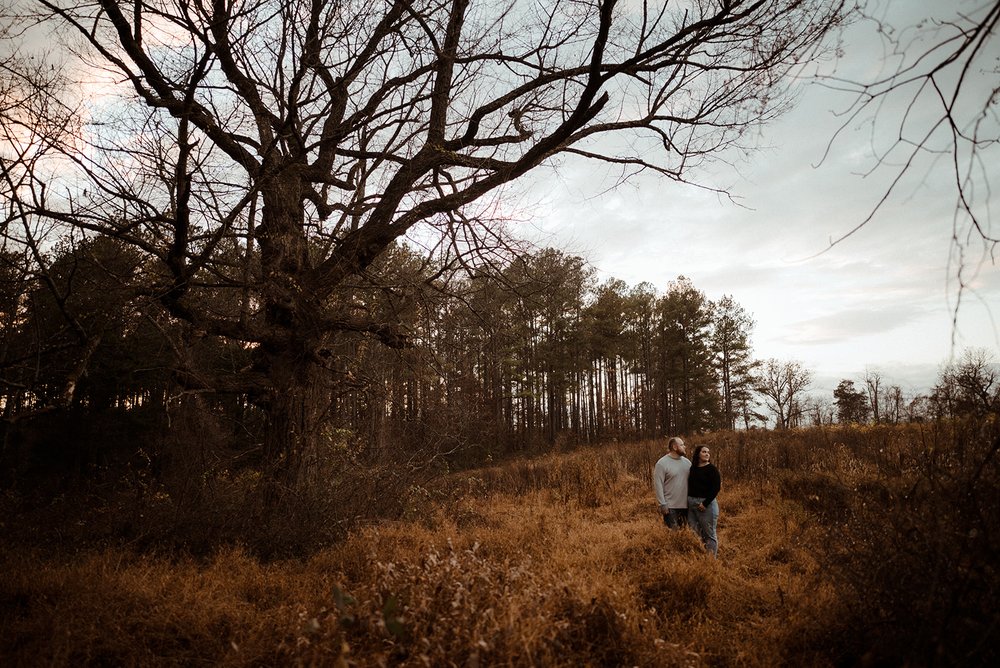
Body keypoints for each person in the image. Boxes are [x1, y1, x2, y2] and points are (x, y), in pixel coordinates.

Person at [687, 445, 721, 557]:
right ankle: (700, 558)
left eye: (708, 452)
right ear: (698, 454)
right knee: (694, 532)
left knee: (709, 534)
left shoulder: (712, 470)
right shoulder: (693, 468)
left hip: (706, 505)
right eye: (704, 452)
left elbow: (716, 488)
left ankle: (711, 562)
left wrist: (705, 503)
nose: (707, 454)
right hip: (691, 504)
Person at [653, 436, 691, 529]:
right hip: (670, 507)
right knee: (673, 535)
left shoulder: (687, 463)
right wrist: (662, 503)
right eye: (682, 445)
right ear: (674, 447)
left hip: (686, 505)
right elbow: (658, 484)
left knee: (685, 534)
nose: (684, 447)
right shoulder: (662, 463)